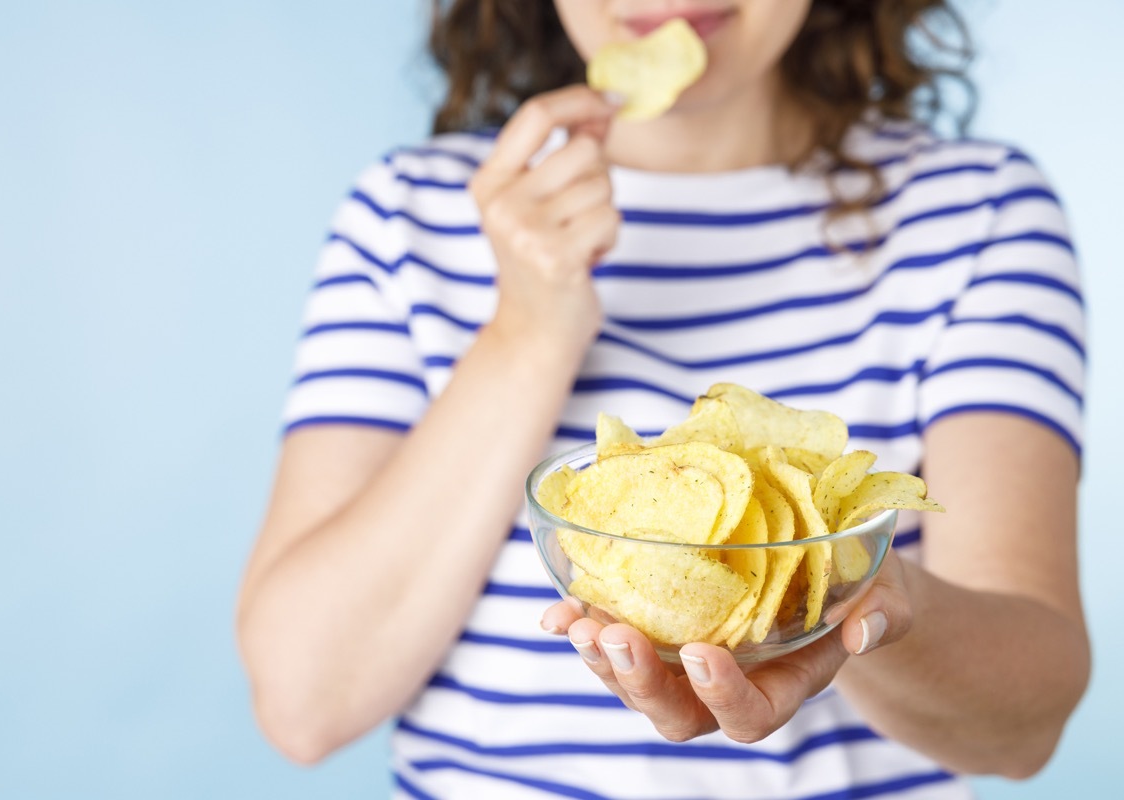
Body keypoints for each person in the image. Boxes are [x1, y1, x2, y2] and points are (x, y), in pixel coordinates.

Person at [236, 1, 1090, 797]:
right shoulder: (409, 218)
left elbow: (1022, 731)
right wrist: (529, 330)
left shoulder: (974, 215)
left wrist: (841, 588)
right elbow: (306, 702)